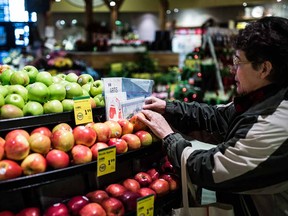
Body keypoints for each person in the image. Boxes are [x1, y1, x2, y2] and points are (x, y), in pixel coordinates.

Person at [137, 16, 288, 216]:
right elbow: (218, 115)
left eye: (239, 61)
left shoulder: (274, 121)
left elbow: (211, 169)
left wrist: (168, 137)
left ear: (264, 68)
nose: (233, 70)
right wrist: (168, 107)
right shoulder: (266, 99)